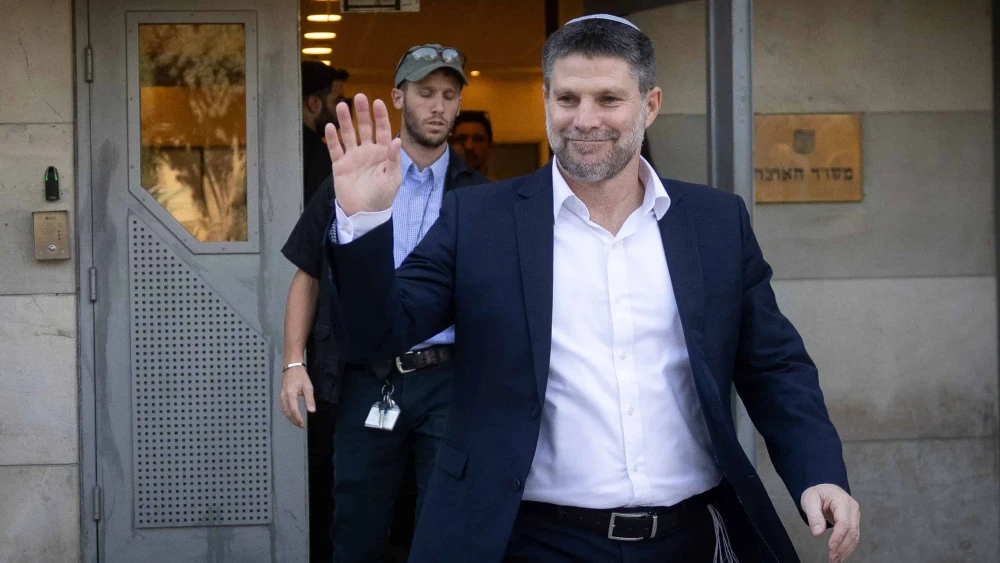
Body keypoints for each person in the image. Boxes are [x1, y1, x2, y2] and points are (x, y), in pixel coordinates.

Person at [321, 15, 860, 563]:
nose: (585, 120)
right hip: (531, 542)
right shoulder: (478, 220)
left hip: (689, 538)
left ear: (650, 105)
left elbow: (774, 364)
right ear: (546, 101)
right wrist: (364, 222)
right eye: (568, 99)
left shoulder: (715, 222)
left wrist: (817, 471)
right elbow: (375, 336)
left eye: (608, 99)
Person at [280, 44, 487, 563]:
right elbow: (308, 272)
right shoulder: (353, 176)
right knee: (356, 522)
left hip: (448, 377)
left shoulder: (479, 194)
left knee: (444, 524)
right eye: (425, 92)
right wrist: (293, 363)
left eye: (449, 95)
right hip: (367, 376)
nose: (438, 106)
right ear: (398, 98)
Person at [301, 61, 350, 205]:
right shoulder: (316, 153)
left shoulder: (280, 147)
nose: (342, 110)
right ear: (314, 103)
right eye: (337, 102)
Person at [450, 110, 496, 181]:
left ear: (490, 147)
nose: (469, 146)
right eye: (461, 139)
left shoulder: (501, 188)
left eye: (477, 139)